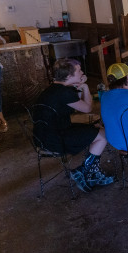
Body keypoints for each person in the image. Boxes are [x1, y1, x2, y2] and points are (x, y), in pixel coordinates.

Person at [33, 59, 113, 192]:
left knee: (97, 129)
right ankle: (84, 171)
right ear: (69, 76)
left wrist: (78, 86)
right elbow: (87, 108)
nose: (82, 72)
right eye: (79, 70)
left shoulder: (55, 89)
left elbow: (77, 105)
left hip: (44, 135)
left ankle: (91, 171)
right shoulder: (63, 93)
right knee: (103, 135)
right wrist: (86, 87)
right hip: (55, 139)